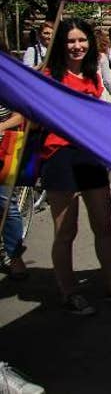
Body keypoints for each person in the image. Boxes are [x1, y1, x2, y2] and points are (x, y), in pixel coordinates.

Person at [41, 18, 111, 315]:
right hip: (59, 157)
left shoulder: (92, 76)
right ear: (61, 45)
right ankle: (69, 292)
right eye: (70, 41)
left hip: (89, 155)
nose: (77, 46)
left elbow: (100, 116)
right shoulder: (48, 76)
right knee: (66, 231)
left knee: (103, 226)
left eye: (81, 40)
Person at [0, 106, 29, 281]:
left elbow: (21, 116)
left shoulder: (5, 87)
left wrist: (1, 126)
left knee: (5, 205)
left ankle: (15, 257)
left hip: (5, 150)